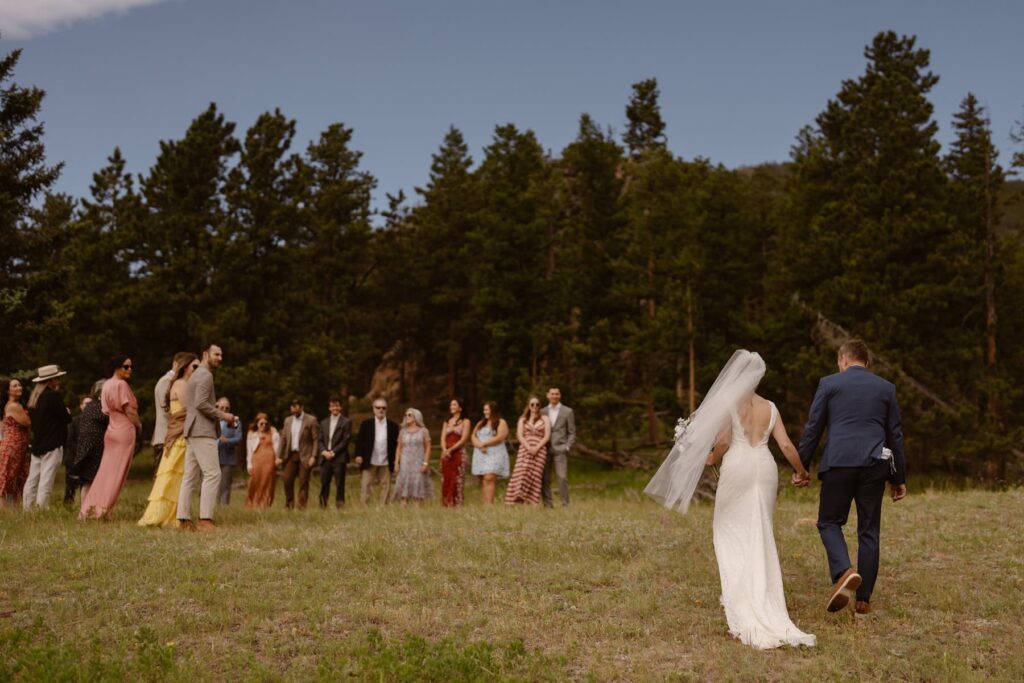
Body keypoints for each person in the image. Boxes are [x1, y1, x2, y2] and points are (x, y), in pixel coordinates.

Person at [646, 350, 815, 649]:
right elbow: (786, 444)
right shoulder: (771, 407)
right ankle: (762, 594)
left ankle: (741, 597)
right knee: (760, 531)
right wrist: (801, 471)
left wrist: (704, 456)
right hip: (764, 467)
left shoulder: (730, 404)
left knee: (727, 531)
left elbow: (723, 443)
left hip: (737, 466)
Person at [797, 339, 907, 615]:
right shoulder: (886, 388)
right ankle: (863, 599)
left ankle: (844, 571)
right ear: (866, 362)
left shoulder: (829, 384)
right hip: (874, 464)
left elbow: (813, 428)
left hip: (839, 462)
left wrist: (801, 466)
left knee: (828, 522)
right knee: (869, 530)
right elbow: (895, 435)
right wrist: (899, 477)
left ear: (844, 360)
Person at [177, 344, 236, 531]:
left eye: (221, 354)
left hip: (192, 430)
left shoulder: (195, 375)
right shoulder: (205, 375)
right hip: (202, 430)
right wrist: (224, 415)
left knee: (190, 477)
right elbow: (202, 403)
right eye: (216, 354)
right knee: (213, 474)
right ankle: (205, 520)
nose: (219, 357)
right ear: (205, 354)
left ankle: (184, 520)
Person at [138, 354, 197, 527]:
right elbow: (190, 411)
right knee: (174, 476)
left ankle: (175, 514)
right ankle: (167, 516)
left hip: (177, 436)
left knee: (176, 476)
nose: (197, 370)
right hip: (179, 438)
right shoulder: (181, 384)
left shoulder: (181, 384)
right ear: (185, 368)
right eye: (195, 366)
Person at [80, 356, 142, 520]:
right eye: (125, 366)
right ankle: (101, 511)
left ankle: (89, 509)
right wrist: (138, 425)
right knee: (116, 475)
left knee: (104, 473)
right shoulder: (121, 385)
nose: (129, 369)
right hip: (124, 429)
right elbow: (130, 411)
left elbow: (106, 410)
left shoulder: (106, 384)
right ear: (116, 367)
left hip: (111, 430)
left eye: (130, 367)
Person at [24, 365, 72, 510]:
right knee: (46, 479)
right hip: (52, 443)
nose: (59, 381)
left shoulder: (34, 397)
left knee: (32, 479)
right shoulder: (52, 396)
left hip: (38, 443)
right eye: (57, 378)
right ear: (50, 380)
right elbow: (65, 417)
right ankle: (42, 509)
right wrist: (67, 412)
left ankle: (27, 508)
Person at [67, 381, 108, 503]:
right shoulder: (98, 407)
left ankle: (86, 509)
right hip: (93, 450)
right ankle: (88, 508)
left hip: (88, 449)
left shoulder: (92, 406)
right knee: (90, 480)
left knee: (87, 480)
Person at [505, 396, 550, 506]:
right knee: (521, 473)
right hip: (525, 450)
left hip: (540, 451)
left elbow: (547, 436)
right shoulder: (523, 419)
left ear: (540, 406)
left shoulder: (544, 418)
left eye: (537, 404)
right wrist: (529, 447)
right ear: (528, 406)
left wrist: (536, 448)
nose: (535, 406)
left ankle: (531, 502)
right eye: (532, 404)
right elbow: (520, 435)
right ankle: (516, 500)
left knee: (535, 475)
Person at [354, 398, 399, 505]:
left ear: (386, 410)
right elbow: (360, 440)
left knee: (385, 485)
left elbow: (397, 445)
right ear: (373, 409)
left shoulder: (393, 426)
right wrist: (358, 455)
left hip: (386, 460)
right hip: (370, 459)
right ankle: (364, 506)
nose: (381, 410)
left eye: (383, 408)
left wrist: (397, 460)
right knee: (366, 484)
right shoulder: (366, 424)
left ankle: (383, 507)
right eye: (378, 407)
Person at [278, 399, 320, 510]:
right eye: (293, 409)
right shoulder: (287, 420)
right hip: (291, 455)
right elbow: (283, 439)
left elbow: (316, 439)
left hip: (305, 455)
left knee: (303, 481)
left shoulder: (311, 420)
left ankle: (302, 506)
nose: (295, 412)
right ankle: (289, 504)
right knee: (287, 479)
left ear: (302, 408)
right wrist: (278, 456)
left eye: (297, 409)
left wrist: (313, 456)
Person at [152, 353, 188, 471]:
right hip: (165, 437)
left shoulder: (177, 382)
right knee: (162, 477)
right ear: (175, 364)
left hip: (173, 436)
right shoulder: (166, 381)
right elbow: (166, 408)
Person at [540, 387, 575, 508]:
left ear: (560, 396)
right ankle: (548, 504)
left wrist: (567, 447)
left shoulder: (568, 411)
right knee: (545, 478)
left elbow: (572, 432)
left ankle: (565, 504)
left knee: (562, 477)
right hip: (545, 449)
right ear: (547, 395)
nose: (554, 396)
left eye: (556, 394)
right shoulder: (542, 411)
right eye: (552, 394)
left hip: (560, 449)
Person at [471, 401, 510, 505]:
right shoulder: (481, 423)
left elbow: (500, 437)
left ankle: (489, 505)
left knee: (490, 477)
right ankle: (485, 504)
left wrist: (484, 443)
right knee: (483, 479)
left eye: (487, 409)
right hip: (481, 454)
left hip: (494, 453)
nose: (485, 412)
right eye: (484, 409)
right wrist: (478, 444)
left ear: (493, 410)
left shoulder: (501, 422)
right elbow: (473, 436)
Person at [391, 407, 432, 506]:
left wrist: (425, 463)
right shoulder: (403, 431)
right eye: (406, 415)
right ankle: (403, 513)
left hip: (418, 462)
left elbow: (428, 448)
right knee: (403, 489)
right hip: (405, 464)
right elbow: (399, 448)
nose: (407, 417)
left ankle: (417, 512)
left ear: (416, 417)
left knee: (417, 488)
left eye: (409, 415)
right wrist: (396, 463)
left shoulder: (423, 431)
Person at [0, 378, 31, 507]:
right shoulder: (14, 406)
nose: (19, 387)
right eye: (15, 386)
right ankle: (3, 510)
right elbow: (27, 422)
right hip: (13, 447)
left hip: (18, 447)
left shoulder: (11, 405)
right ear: (8, 390)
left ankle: (14, 510)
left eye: (20, 385)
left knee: (19, 477)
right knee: (7, 477)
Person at [318, 397, 351, 509]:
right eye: (332, 406)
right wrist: (324, 452)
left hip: (339, 457)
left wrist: (333, 452)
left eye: (337, 406)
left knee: (339, 484)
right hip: (325, 457)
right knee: (324, 483)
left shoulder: (346, 422)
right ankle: (322, 506)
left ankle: (340, 506)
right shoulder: (324, 422)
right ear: (329, 408)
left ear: (340, 407)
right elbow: (320, 439)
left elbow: (345, 440)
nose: (335, 408)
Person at [439, 397, 471, 507]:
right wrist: (444, 450)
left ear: (460, 408)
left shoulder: (466, 421)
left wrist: (451, 450)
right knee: (446, 479)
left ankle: (457, 504)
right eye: (451, 405)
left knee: (457, 479)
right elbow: (442, 438)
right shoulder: (447, 421)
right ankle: (446, 504)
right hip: (446, 455)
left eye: (454, 405)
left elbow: (463, 439)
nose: (451, 407)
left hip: (458, 453)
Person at [245, 412, 280, 509]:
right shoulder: (252, 434)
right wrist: (249, 464)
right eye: (261, 423)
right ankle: (252, 503)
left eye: (266, 423)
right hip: (256, 460)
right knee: (254, 481)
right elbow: (249, 450)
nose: (264, 426)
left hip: (269, 460)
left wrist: (277, 458)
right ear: (257, 424)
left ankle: (264, 504)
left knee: (267, 481)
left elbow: (277, 447)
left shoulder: (273, 432)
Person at [62, 395, 93, 505]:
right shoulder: (74, 421)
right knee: (70, 485)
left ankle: (86, 505)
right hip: (73, 457)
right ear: (81, 406)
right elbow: (69, 440)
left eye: (90, 403)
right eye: (86, 403)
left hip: (88, 459)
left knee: (86, 483)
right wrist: (80, 454)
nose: (88, 406)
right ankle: (68, 506)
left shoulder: (95, 422)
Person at [216, 396, 243, 506]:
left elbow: (239, 438)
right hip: (212, 457)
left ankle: (224, 508)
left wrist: (227, 441)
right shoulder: (211, 420)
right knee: (212, 485)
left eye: (227, 408)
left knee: (225, 485)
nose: (224, 410)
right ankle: (211, 509)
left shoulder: (235, 421)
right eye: (222, 407)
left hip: (227, 457)